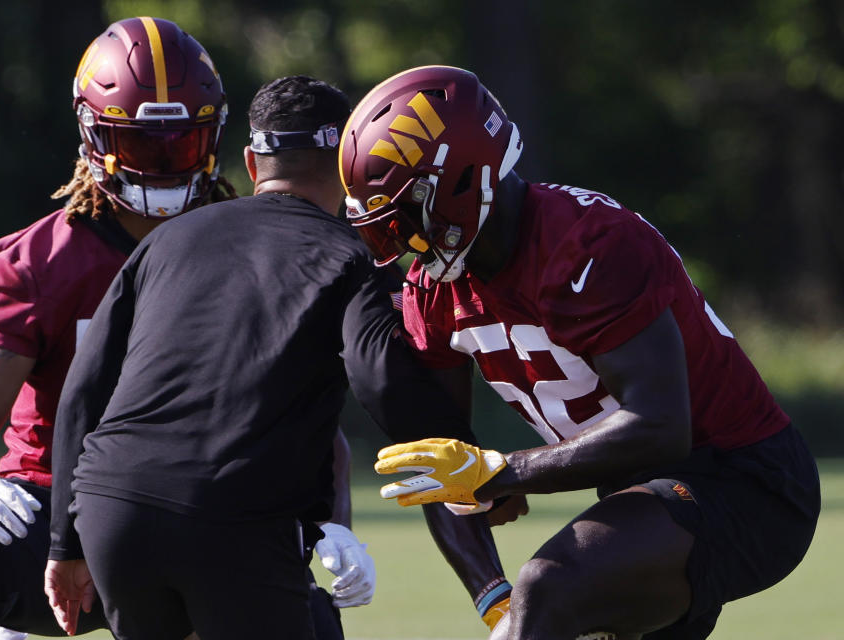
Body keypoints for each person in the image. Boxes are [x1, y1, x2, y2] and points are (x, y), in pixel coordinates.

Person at [338, 65, 821, 640]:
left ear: (463, 181)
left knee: (549, 585)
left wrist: (503, 473)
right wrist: (492, 599)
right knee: (544, 602)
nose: (400, 246)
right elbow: (445, 463)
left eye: (405, 217)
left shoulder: (587, 246)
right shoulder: (436, 288)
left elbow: (660, 427)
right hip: (641, 499)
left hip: (744, 482)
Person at [42, 74, 479, 640]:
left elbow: (84, 389)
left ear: (251, 162)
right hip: (233, 514)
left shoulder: (166, 239)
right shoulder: (349, 255)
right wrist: (472, 468)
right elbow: (383, 382)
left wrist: (63, 542)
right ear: (350, 165)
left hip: (113, 507)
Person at [0, 16, 236, 640]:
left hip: (195, 513)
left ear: (211, 138)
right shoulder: (42, 261)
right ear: (93, 139)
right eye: (141, 145)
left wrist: (331, 519)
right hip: (61, 511)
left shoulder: (246, 248)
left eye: (180, 145)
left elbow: (301, 402)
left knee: (308, 614)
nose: (163, 167)